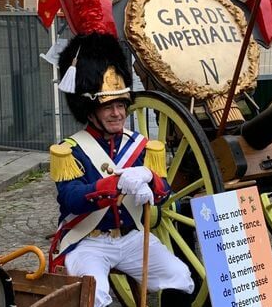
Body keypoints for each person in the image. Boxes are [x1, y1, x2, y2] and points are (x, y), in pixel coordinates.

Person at [48, 31, 195, 307]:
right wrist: (113, 185)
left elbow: (164, 193)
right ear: (90, 110)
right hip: (88, 242)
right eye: (108, 107)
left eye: (121, 105)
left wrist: (150, 178)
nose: (117, 113)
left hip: (131, 238)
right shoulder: (69, 150)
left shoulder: (140, 146)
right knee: (95, 295)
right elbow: (71, 199)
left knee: (180, 278)